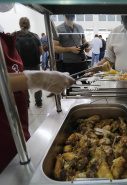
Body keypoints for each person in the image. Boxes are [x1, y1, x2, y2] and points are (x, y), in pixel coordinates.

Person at [0, 4, 75, 173]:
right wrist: (39, 78)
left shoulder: (7, 32)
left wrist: (31, 77)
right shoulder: (32, 36)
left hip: (14, 127)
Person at [14, 17, 43, 108]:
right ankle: (38, 102)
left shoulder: (14, 35)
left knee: (24, 84)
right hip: (35, 64)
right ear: (29, 25)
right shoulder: (35, 36)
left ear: (19, 25)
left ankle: (26, 103)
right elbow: (41, 51)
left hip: (21, 65)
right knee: (37, 83)